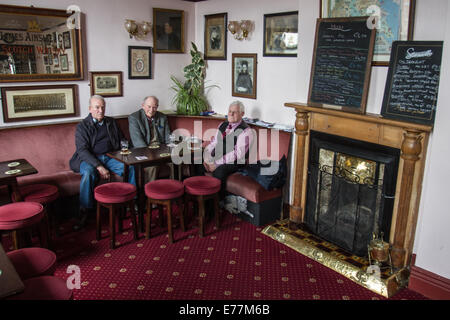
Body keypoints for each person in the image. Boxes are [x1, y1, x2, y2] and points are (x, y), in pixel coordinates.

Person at [69, 95, 136, 229]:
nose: (101, 110)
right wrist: (99, 166)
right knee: (89, 173)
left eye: (102, 107)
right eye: (97, 107)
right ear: (90, 109)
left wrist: (126, 150)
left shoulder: (111, 122)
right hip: (88, 158)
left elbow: (122, 141)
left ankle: (132, 202)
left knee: (131, 167)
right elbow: (82, 150)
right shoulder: (82, 126)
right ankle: (85, 211)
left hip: (110, 157)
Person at [202, 101, 254, 191]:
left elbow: (237, 154)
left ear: (242, 114)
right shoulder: (222, 125)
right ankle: (201, 195)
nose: (231, 114)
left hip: (235, 162)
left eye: (235, 112)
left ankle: (217, 201)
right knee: (198, 162)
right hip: (219, 156)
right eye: (230, 111)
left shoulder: (246, 131)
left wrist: (216, 164)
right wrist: (207, 157)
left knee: (220, 170)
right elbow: (214, 143)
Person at [128, 96, 172, 181]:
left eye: (154, 107)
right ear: (143, 105)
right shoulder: (134, 118)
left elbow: (168, 137)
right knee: (153, 166)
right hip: (143, 150)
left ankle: (174, 188)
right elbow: (138, 143)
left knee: (176, 161)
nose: (151, 110)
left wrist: (171, 150)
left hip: (161, 149)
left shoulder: (162, 117)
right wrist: (154, 156)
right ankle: (150, 192)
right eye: (149, 106)